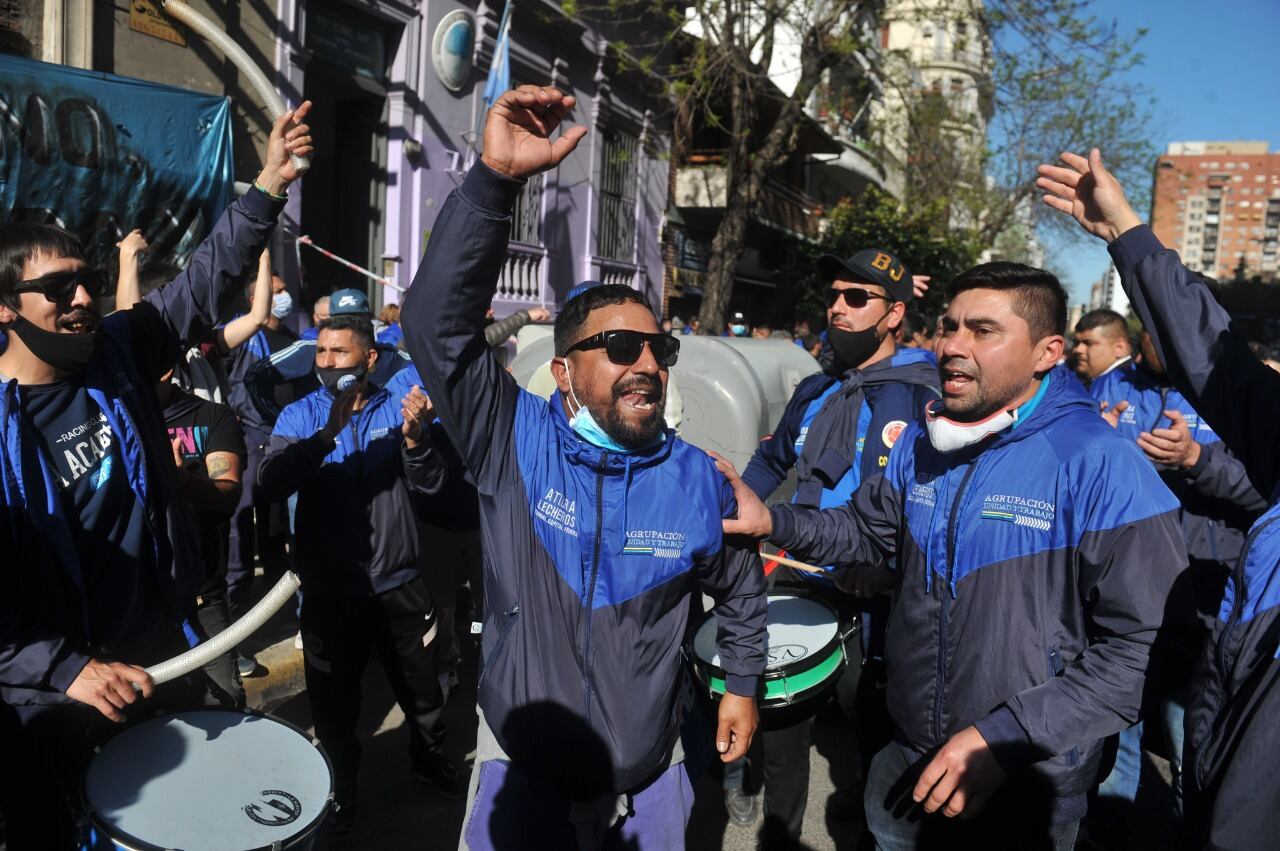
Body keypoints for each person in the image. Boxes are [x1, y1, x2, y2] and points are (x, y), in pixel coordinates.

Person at [402, 84, 767, 850]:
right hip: (519, 771)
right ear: (564, 372)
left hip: (653, 779)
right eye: (620, 348)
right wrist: (493, 184)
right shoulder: (513, 441)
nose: (647, 364)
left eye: (659, 348)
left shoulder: (699, 477)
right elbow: (435, 326)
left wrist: (740, 688)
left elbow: (741, 589)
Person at [719, 260, 1188, 849]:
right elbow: (868, 529)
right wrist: (772, 520)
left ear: (1047, 352)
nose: (952, 347)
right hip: (910, 752)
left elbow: (1144, 648)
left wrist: (1004, 736)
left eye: (983, 331)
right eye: (949, 326)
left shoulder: (1101, 463)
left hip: (1028, 777)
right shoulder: (927, 437)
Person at [0, 102, 313, 848]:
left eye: (87, 279)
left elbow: (207, 282)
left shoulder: (117, 351)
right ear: (6, 309)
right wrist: (62, 666)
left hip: (164, 650)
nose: (83, 297)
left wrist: (268, 185)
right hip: (55, 690)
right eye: (59, 288)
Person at [1037, 147, 1280, 851]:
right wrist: (1125, 233)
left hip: (1204, 603)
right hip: (1155, 612)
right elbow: (1219, 359)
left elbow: (1245, 483)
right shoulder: (1129, 391)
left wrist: (1199, 460)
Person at [722, 248, 938, 847]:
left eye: (856, 298)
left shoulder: (927, 395)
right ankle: (781, 835)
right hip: (800, 578)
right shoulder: (816, 389)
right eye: (835, 296)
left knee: (876, 736)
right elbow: (771, 460)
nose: (837, 308)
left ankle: (870, 824)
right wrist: (735, 502)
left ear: (894, 314)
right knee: (784, 724)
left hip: (877, 598)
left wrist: (892, 572)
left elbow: (930, 505)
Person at [257, 312, 465, 833]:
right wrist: (329, 432)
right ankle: (340, 791)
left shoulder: (401, 410)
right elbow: (271, 482)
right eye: (321, 354)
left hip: (399, 586)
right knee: (333, 710)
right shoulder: (299, 415)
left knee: (422, 696)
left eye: (339, 354)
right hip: (330, 593)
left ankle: (429, 760)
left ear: (369, 358)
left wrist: (417, 443)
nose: (327, 364)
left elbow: (437, 490)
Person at [159, 362, 247, 709]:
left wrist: (182, 480)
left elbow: (228, 493)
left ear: (164, 370)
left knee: (225, 705)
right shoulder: (113, 417)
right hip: (143, 606)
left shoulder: (211, 416)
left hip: (202, 594)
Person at [1071, 309, 1132, 386]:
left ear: (1119, 348)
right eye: (1076, 343)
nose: (1078, 349)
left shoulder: (1127, 387)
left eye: (1088, 343)